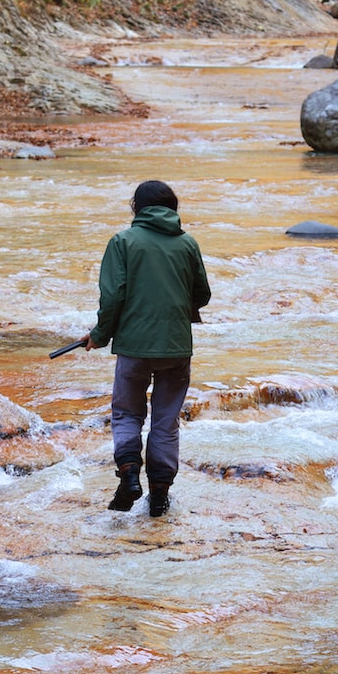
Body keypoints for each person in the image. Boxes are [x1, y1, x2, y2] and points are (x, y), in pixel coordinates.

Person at [80, 180, 211, 517]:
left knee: (127, 413)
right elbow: (203, 295)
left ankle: (129, 476)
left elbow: (113, 297)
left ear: (137, 207)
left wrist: (99, 334)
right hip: (176, 348)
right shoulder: (188, 244)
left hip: (134, 347)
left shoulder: (122, 242)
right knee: (166, 422)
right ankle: (160, 496)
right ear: (172, 208)